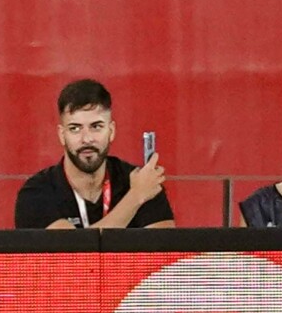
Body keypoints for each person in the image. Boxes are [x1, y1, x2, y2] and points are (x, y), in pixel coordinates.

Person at [13, 78, 174, 229]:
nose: (87, 139)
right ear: (62, 135)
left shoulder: (143, 182)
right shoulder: (37, 193)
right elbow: (73, 255)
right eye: (75, 128)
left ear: (111, 131)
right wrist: (136, 197)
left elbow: (164, 253)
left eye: (96, 126)